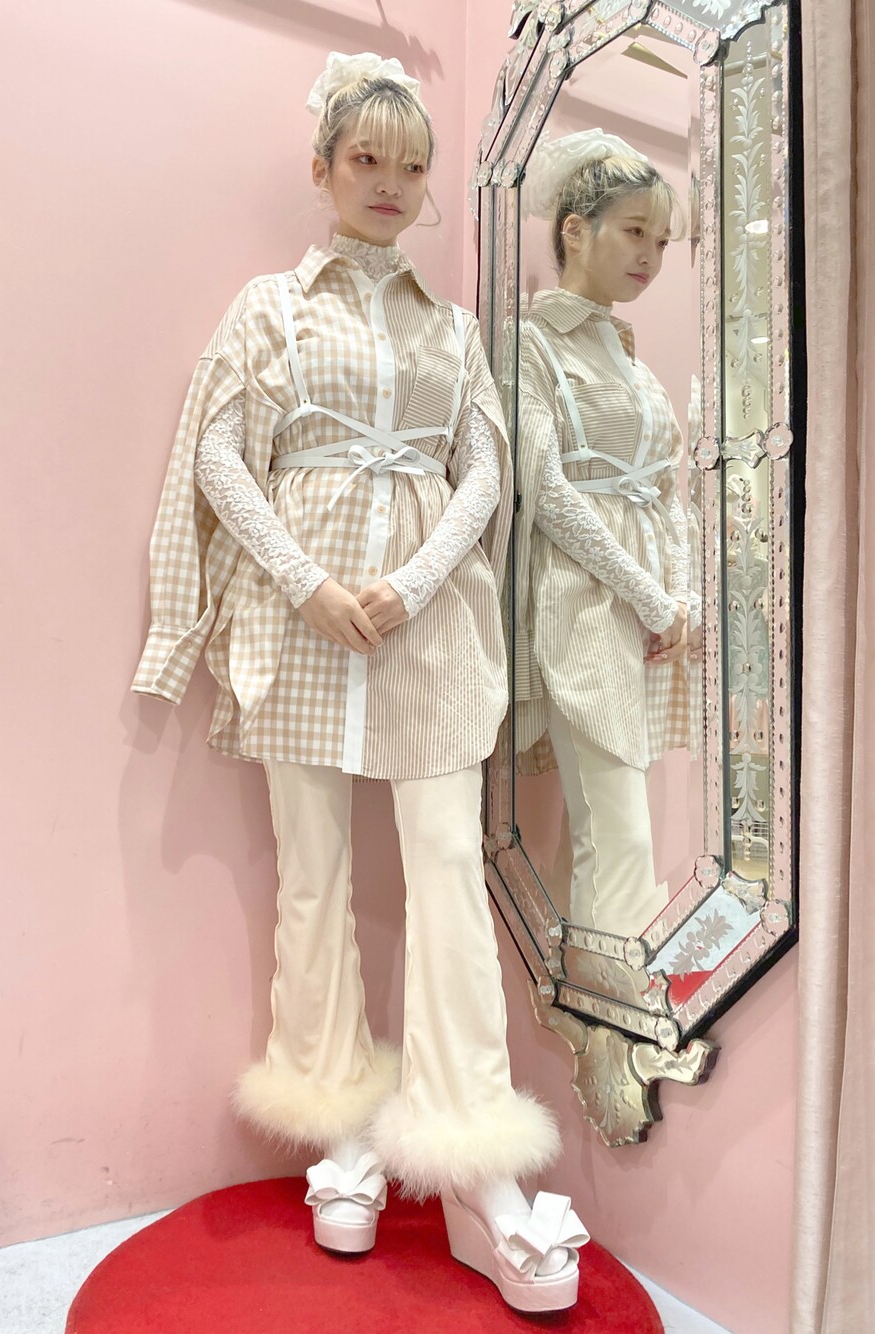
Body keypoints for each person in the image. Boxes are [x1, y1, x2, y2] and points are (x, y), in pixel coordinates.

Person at [132, 52, 587, 1314]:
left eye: (410, 163)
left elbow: (483, 469)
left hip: (427, 636)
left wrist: (419, 578)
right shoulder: (268, 310)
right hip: (298, 631)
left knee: (444, 869)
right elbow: (219, 455)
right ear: (322, 167)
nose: (389, 182)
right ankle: (339, 1121)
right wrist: (303, 583)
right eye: (365, 158)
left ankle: (471, 1148)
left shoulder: (452, 329)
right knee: (313, 871)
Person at [515, 129, 691, 941]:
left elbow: (668, 487)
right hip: (583, 604)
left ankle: (602, 986)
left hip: (647, 615)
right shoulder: (530, 344)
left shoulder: (635, 365)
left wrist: (679, 599)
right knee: (616, 833)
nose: (650, 254)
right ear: (575, 230)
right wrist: (651, 596)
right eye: (634, 230)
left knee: (616, 828)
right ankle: (620, 997)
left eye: (662, 240)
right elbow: (546, 491)